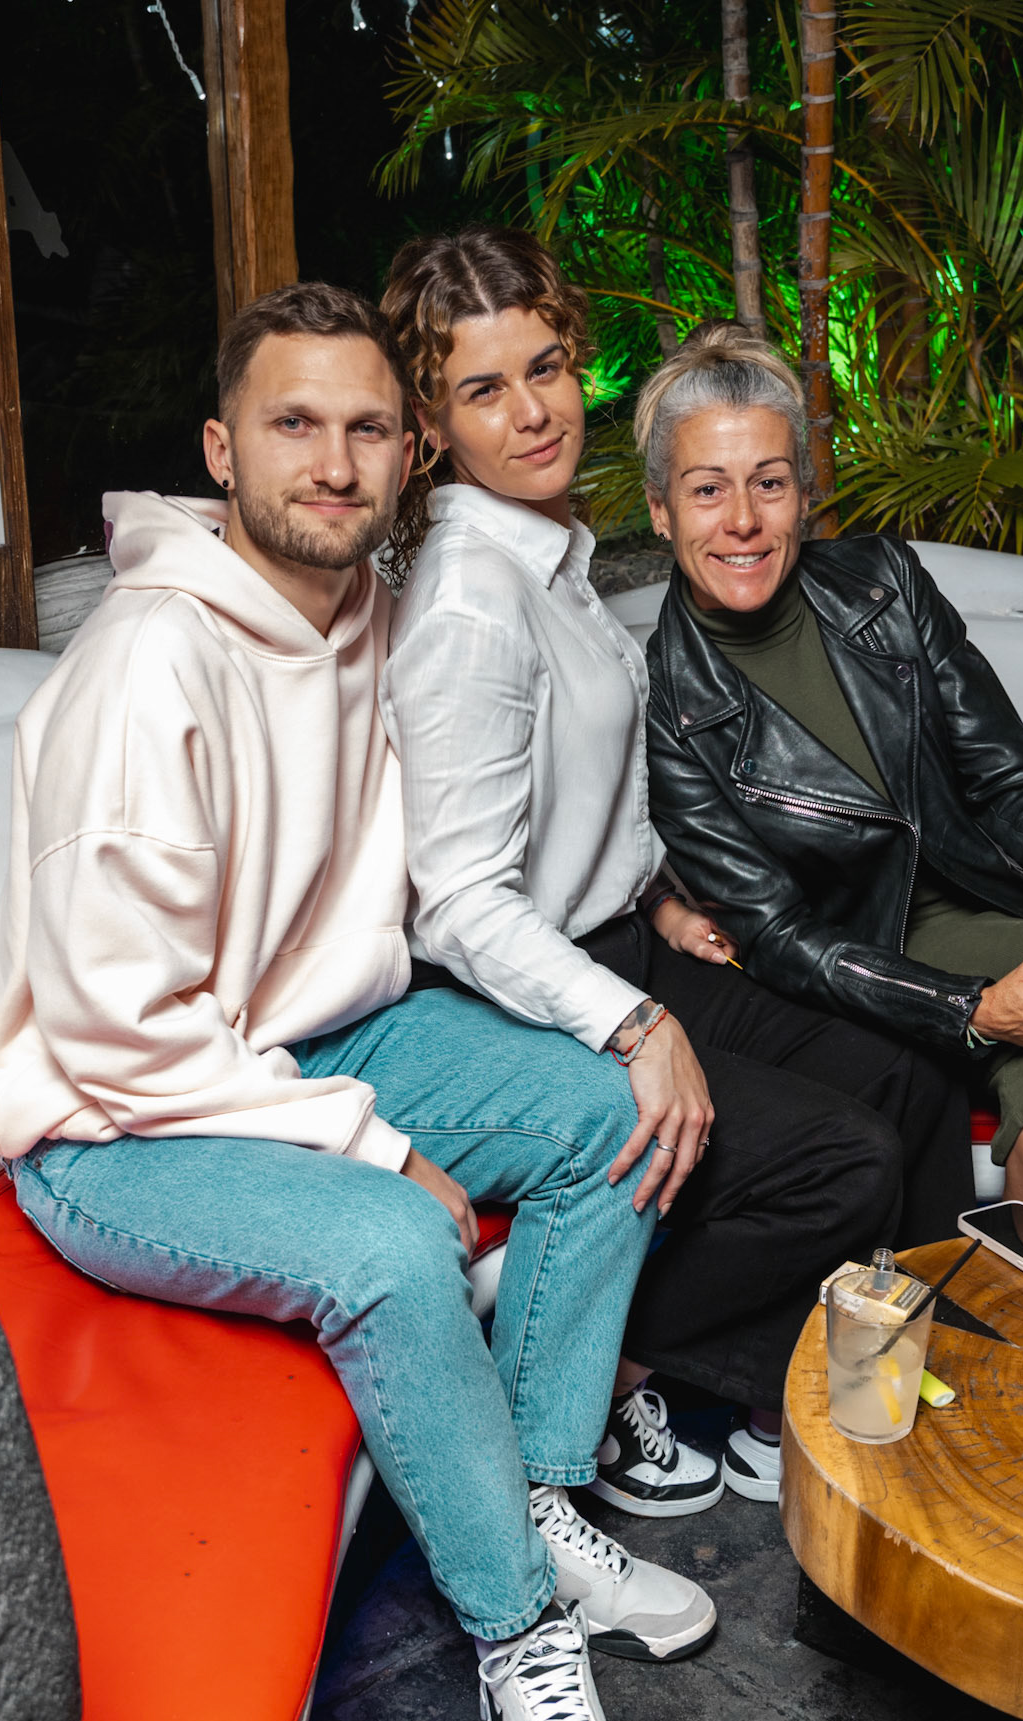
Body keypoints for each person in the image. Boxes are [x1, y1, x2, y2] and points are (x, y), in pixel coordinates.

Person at [0, 282, 718, 1721]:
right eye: (293, 424)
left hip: (311, 1043)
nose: (334, 461)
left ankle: (538, 1494)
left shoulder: (362, 608)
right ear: (220, 449)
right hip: (123, 1122)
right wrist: (368, 1147)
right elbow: (114, 1034)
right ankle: (517, 1637)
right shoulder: (148, 665)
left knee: (601, 1112)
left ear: (408, 456)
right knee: (390, 1245)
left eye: (368, 426)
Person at [378, 225, 975, 1518]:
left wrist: (656, 886)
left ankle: (850, 1389)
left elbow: (581, 782)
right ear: (432, 424)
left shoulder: (551, 552)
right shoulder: (473, 604)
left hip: (623, 940)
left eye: (545, 368)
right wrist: (636, 1025)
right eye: (484, 389)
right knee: (843, 1159)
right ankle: (601, 1363)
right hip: (529, 1001)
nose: (533, 411)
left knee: (914, 1073)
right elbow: (459, 900)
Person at [638, 326, 1023, 1251]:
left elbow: (1008, 777)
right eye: (706, 490)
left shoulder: (884, 583)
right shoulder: (664, 701)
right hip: (860, 970)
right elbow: (779, 937)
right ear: (659, 511)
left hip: (991, 904)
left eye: (768, 482)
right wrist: (973, 1008)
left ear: (804, 491)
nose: (742, 521)